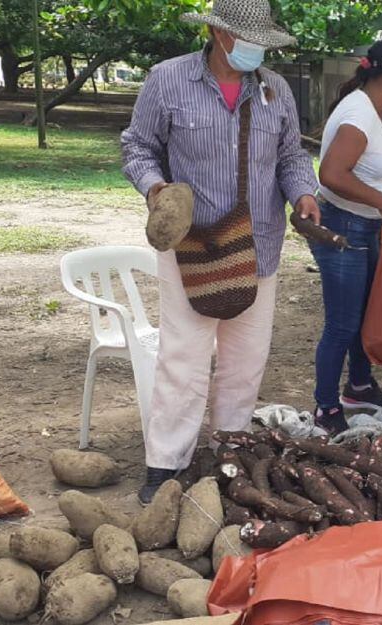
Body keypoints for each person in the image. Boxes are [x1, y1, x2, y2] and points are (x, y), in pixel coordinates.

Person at [120, 0, 318, 503]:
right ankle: (166, 466)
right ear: (214, 31)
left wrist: (305, 193)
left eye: (258, 40)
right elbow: (137, 146)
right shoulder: (168, 80)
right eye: (241, 36)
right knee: (182, 359)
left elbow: (292, 156)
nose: (252, 49)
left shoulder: (276, 90)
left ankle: (230, 453)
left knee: (245, 362)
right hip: (192, 246)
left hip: (258, 249)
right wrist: (155, 189)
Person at [297, 38, 382, 435]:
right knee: (342, 324)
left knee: (363, 315)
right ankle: (326, 408)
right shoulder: (359, 114)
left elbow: (362, 171)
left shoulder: (371, 110)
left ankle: (358, 386)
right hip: (343, 228)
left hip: (365, 223)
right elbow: (332, 175)